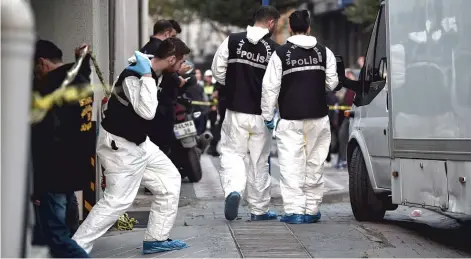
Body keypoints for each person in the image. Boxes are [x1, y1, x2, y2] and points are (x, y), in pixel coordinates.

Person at [71, 38, 191, 254]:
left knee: (170, 181)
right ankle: (76, 246)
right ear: (171, 59)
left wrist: (157, 75)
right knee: (117, 201)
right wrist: (146, 76)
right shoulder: (135, 75)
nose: (181, 66)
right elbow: (147, 111)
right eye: (180, 61)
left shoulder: (155, 71)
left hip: (140, 143)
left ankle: (156, 238)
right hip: (121, 147)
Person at [261, 10, 338, 224]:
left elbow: (269, 88)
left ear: (291, 29)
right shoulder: (324, 52)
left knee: (291, 165)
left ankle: (295, 211)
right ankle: (312, 210)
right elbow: (332, 84)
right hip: (318, 117)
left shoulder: (281, 54)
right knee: (315, 164)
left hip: (290, 119)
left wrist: (268, 116)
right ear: (309, 27)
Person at [212, 5, 281, 221]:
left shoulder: (232, 40)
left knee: (232, 153)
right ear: (271, 23)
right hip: (261, 114)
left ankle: (234, 190)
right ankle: (259, 210)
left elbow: (217, 70)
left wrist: (232, 87)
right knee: (259, 161)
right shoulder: (274, 49)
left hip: (235, 112)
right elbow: (275, 84)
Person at [31, 40, 95, 257]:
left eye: (34, 69)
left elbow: (43, 137)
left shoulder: (49, 88)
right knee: (65, 230)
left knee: (56, 237)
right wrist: (81, 59)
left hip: (54, 172)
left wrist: (37, 183)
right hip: (75, 167)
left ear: (41, 62)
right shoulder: (81, 79)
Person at [140, 19, 191, 195]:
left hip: (155, 106)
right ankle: (155, 183)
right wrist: (179, 76)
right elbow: (168, 77)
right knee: (161, 145)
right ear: (168, 32)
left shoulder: (146, 49)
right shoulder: (159, 51)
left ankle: (154, 183)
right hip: (161, 106)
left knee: (155, 145)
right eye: (173, 37)